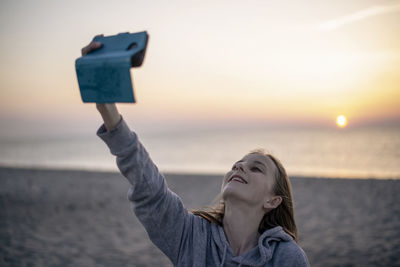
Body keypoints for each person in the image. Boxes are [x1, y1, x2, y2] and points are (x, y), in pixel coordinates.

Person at [82, 40, 310, 267]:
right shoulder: (189, 236)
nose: (238, 167)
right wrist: (105, 106)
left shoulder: (286, 257)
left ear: (273, 200)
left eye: (256, 168)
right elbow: (148, 187)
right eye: (237, 164)